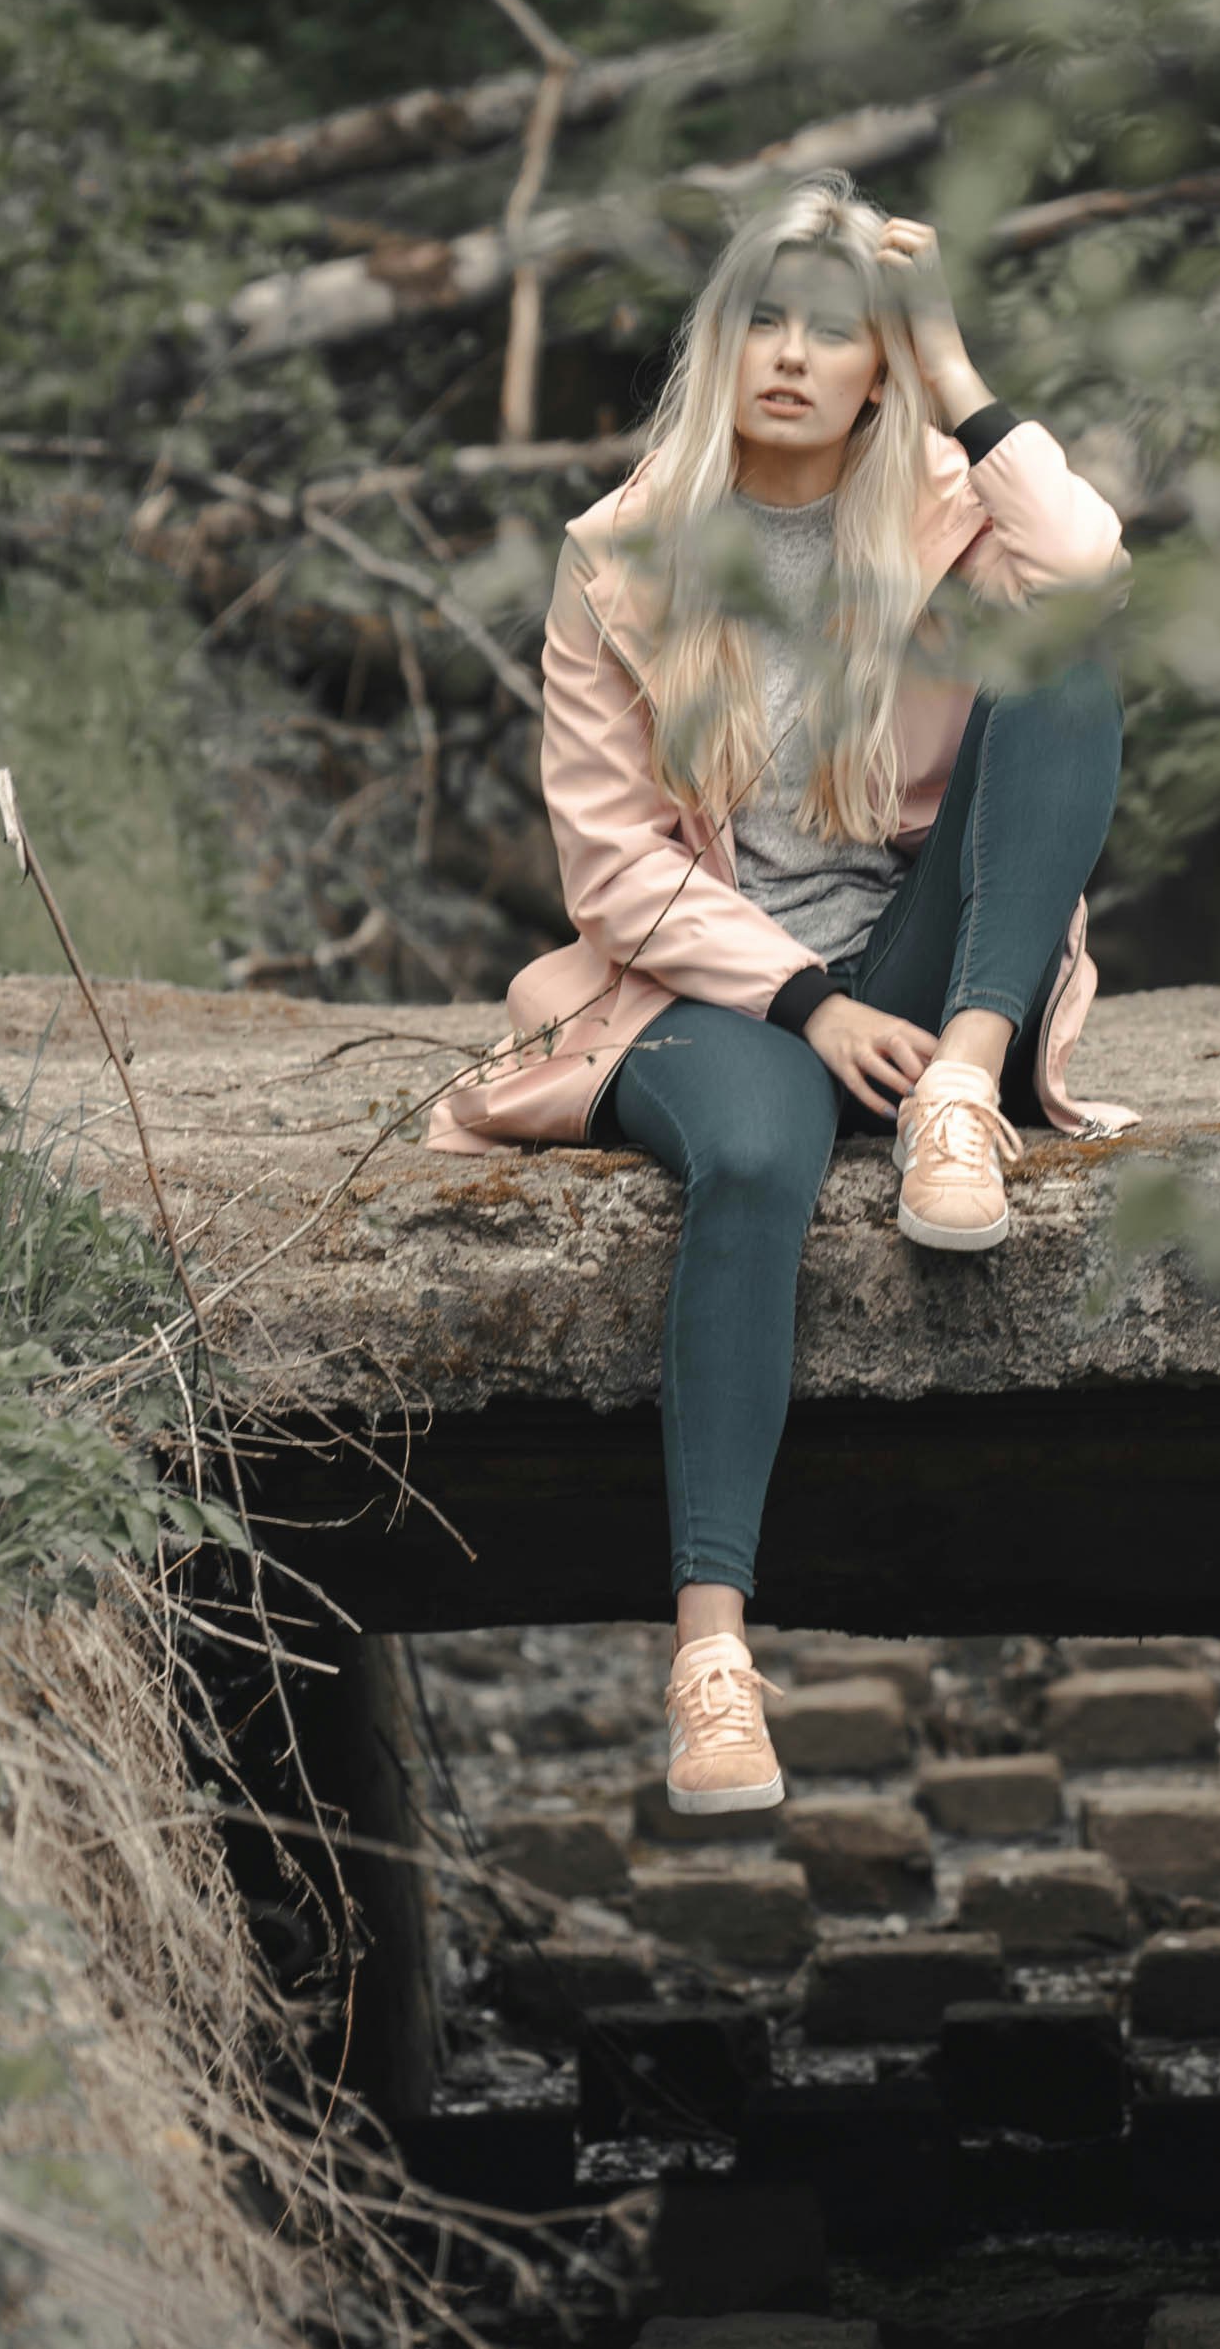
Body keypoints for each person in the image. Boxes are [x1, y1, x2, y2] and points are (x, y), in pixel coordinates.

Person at [426, 175, 1130, 1815]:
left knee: (1073, 649)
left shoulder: (949, 512)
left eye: (843, 329)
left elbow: (1087, 557)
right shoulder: (619, 560)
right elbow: (616, 873)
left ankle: (966, 1081)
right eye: (767, 318)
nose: (799, 355)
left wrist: (959, 365)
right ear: (719, 341)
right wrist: (807, 1001)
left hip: (918, 971)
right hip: (716, 983)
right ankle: (714, 1660)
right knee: (749, 1164)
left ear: (881, 367)